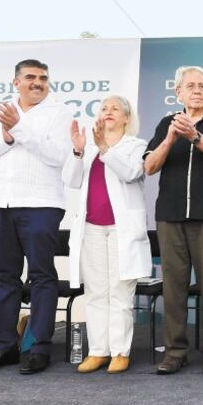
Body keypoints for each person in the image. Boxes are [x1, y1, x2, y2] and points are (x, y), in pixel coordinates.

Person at [0, 59, 73, 375]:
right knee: (4, 276)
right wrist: (7, 137)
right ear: (16, 82)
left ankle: (38, 348)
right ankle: (3, 347)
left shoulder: (59, 112)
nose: (38, 82)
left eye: (43, 78)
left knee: (41, 276)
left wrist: (18, 127)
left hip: (42, 205)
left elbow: (58, 156)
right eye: (30, 77)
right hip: (0, 204)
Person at [145, 66, 203, 376]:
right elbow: (149, 166)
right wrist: (171, 138)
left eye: (202, 86)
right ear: (178, 93)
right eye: (190, 86)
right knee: (174, 287)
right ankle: (175, 351)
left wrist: (195, 136)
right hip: (170, 218)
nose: (197, 90)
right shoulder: (164, 124)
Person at [64, 95, 152, 374]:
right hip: (90, 229)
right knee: (96, 291)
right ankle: (98, 351)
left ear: (127, 118)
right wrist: (78, 152)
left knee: (120, 292)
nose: (109, 112)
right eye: (104, 108)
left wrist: (105, 148)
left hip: (121, 230)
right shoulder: (88, 147)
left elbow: (131, 173)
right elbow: (71, 179)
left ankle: (120, 351)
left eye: (116, 108)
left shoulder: (137, 146)